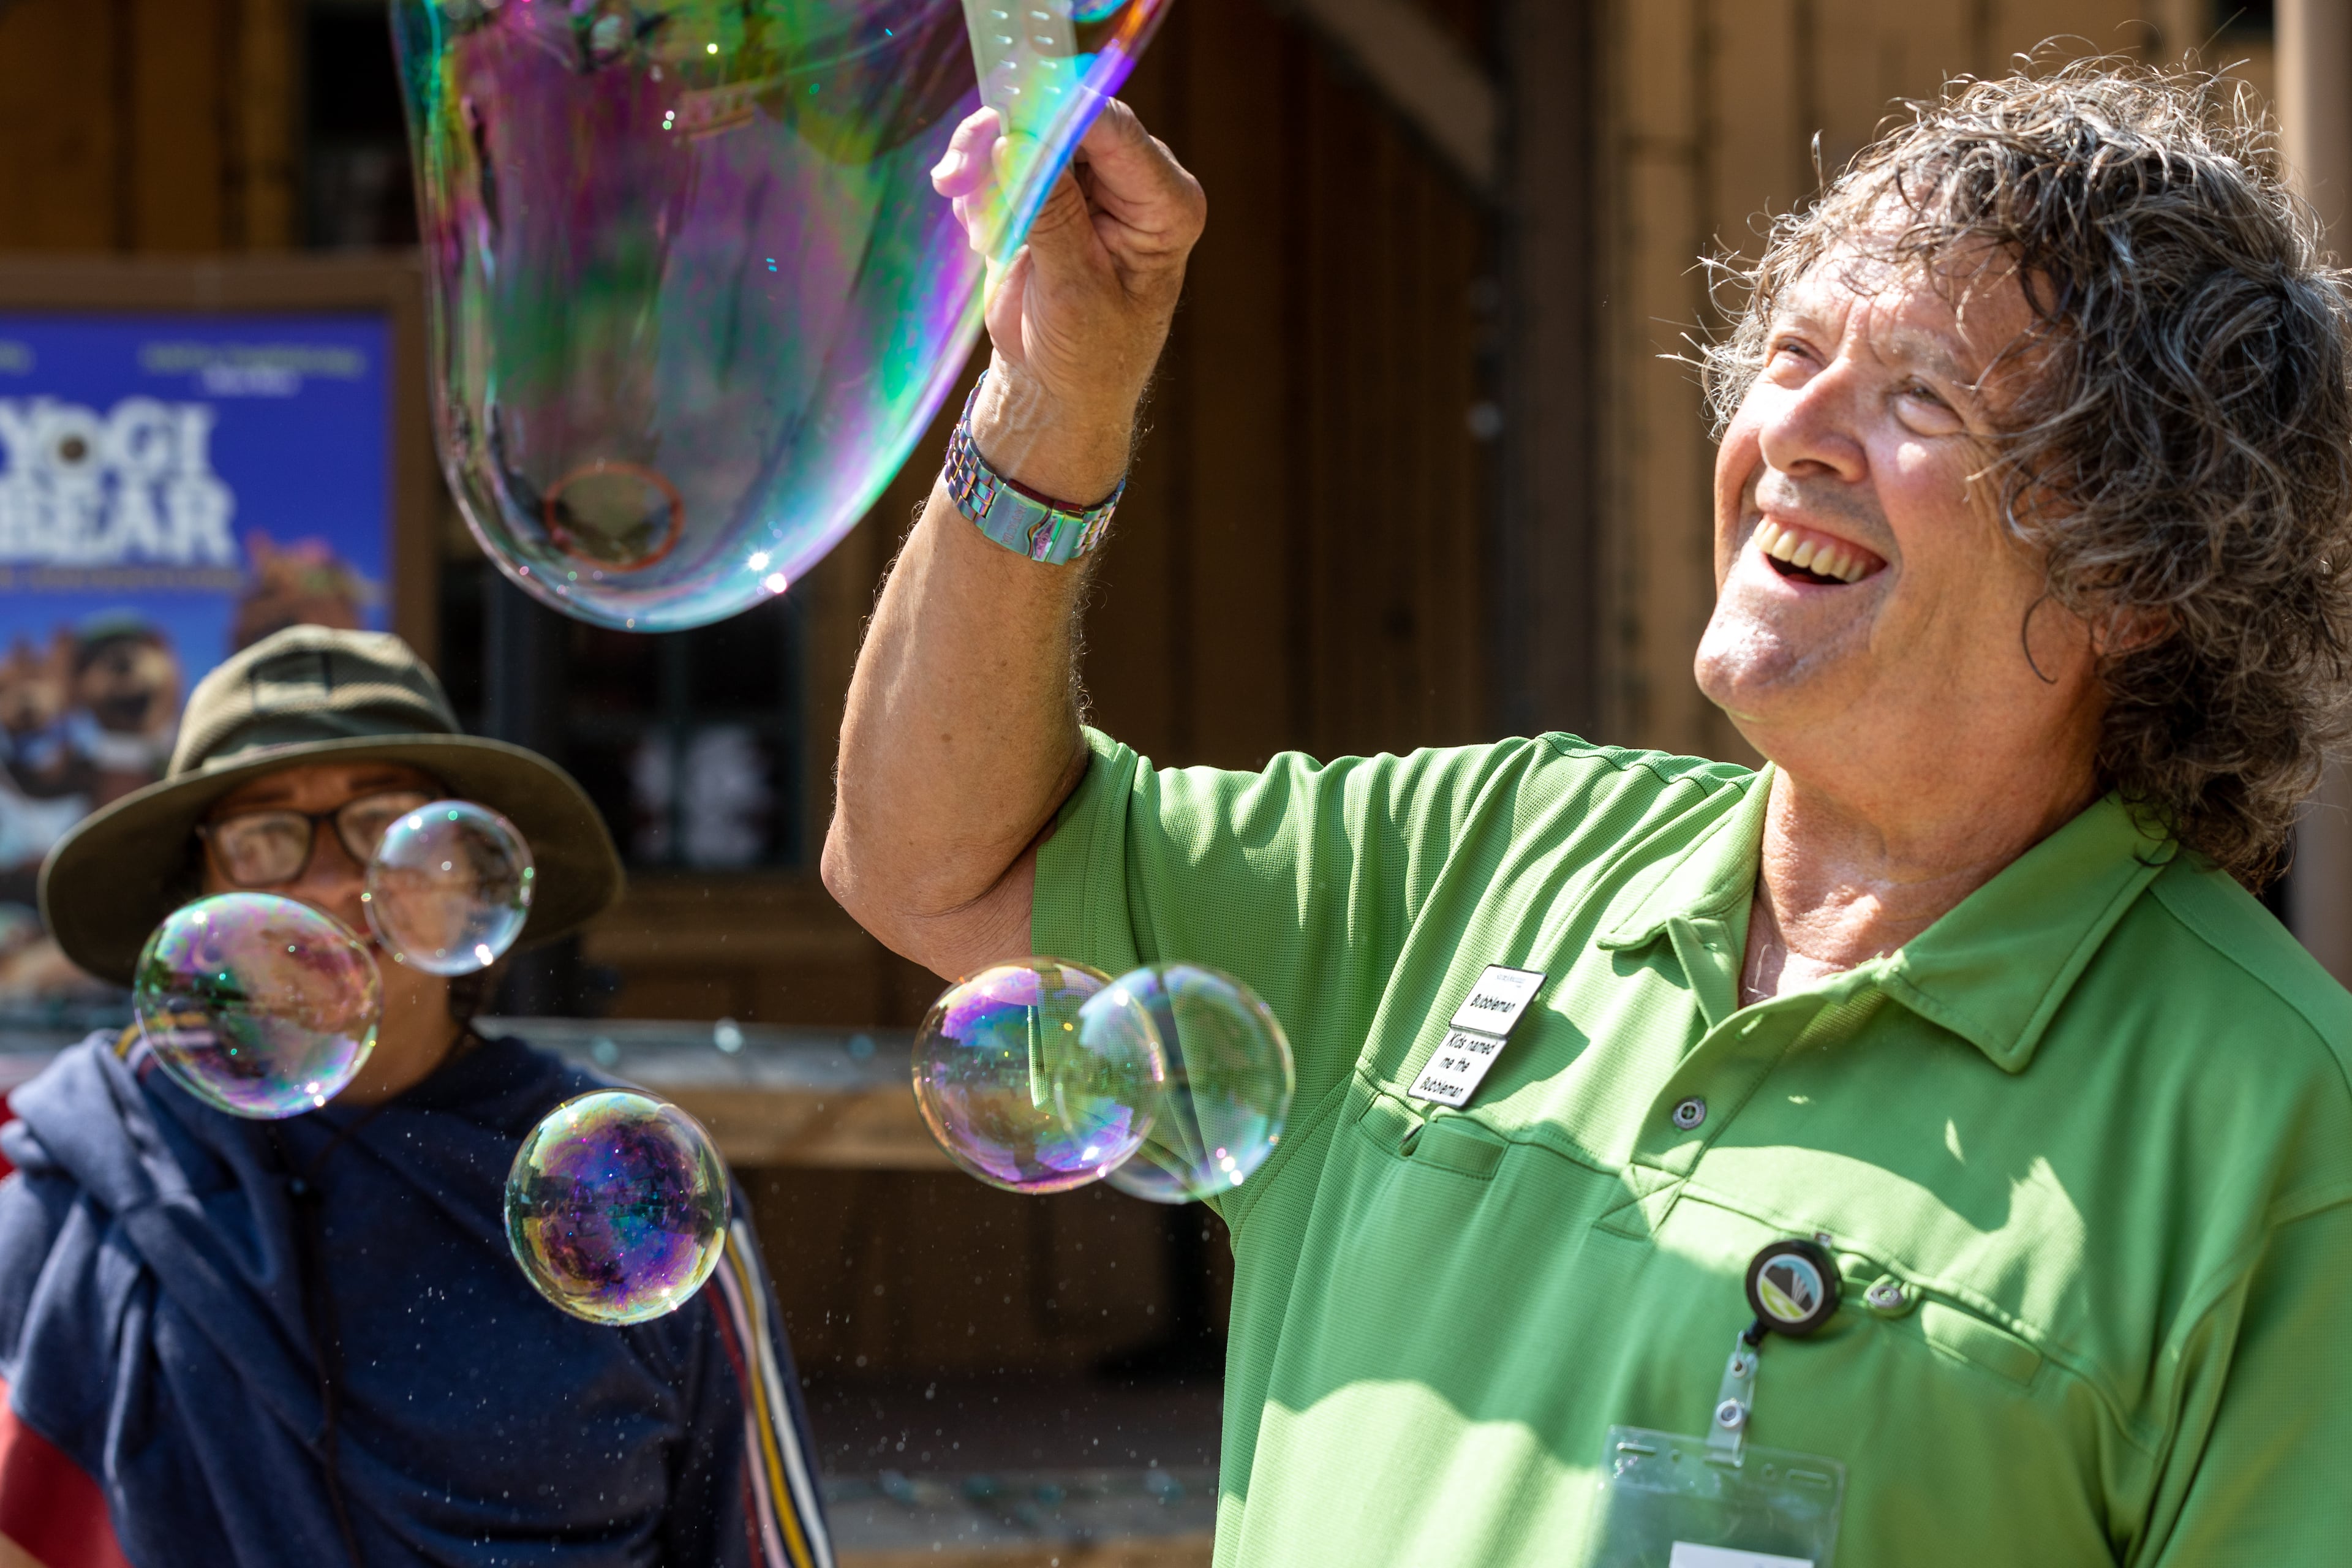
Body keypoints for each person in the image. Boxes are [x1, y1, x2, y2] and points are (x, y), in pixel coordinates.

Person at [825, 65, 2352, 1566]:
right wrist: (1056, 392)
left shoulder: (2277, 1130)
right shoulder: (1489, 847)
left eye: (1921, 398)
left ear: (2143, 571)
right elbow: (940, 863)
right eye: (1793, 352)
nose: (1792, 436)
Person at [0, 625, 832, 1568]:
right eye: (265, 836)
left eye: (385, 824)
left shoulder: (631, 1190)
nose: (334, 880)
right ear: (201, 897)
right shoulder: (91, 1178)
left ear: (475, 875)